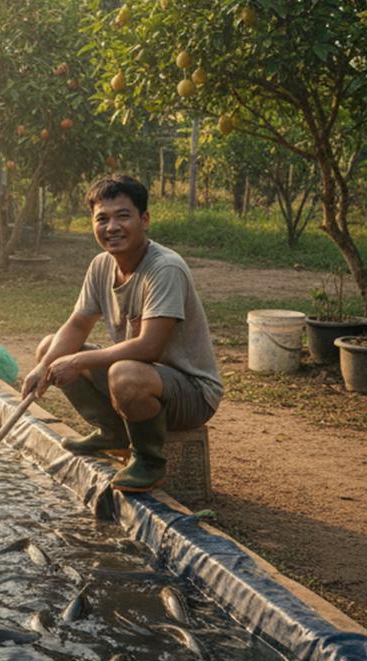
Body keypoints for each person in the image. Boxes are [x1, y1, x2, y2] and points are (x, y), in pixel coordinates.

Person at [21, 175, 222, 492]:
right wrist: (42, 366)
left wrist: (76, 361)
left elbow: (150, 347)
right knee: (50, 348)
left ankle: (149, 461)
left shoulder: (164, 268)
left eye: (122, 216)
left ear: (144, 219)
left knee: (124, 375)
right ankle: (112, 432)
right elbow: (77, 324)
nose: (111, 227)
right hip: (145, 376)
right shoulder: (101, 265)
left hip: (192, 391)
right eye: (102, 218)